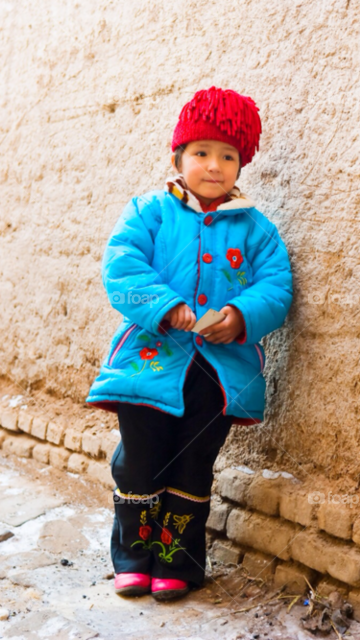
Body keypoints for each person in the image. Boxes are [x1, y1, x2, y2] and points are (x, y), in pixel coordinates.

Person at [84, 86, 293, 601]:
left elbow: (277, 286)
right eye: (201, 152)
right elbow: (122, 265)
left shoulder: (256, 229)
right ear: (178, 156)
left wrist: (240, 315)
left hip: (220, 374)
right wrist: (165, 306)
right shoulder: (149, 212)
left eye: (228, 155)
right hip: (150, 365)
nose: (214, 165)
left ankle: (178, 562)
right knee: (141, 459)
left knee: (193, 465)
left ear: (241, 165)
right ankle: (133, 555)